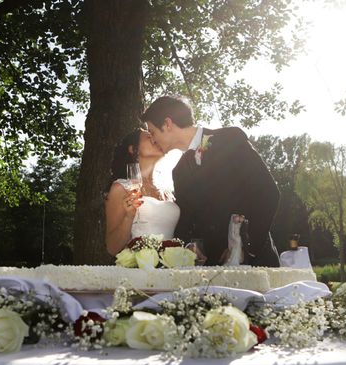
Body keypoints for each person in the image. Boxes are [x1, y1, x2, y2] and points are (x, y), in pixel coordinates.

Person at [141, 95, 280, 267]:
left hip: (257, 261)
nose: (153, 139)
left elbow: (268, 192)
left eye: (153, 132)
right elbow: (188, 219)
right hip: (213, 271)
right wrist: (190, 245)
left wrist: (247, 247)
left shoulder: (230, 139)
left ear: (168, 124)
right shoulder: (179, 171)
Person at [104, 128, 180, 256]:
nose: (155, 139)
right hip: (139, 270)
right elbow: (112, 248)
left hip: (172, 269)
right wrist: (129, 217)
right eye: (149, 137)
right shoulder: (121, 188)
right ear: (133, 149)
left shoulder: (166, 191)